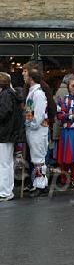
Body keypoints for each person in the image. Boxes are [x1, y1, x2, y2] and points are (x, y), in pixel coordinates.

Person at [22, 64, 50, 196]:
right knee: (36, 158)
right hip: (33, 130)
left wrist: (31, 124)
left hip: (37, 130)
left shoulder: (38, 93)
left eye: (26, 73)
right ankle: (40, 184)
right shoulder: (32, 92)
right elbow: (30, 111)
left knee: (38, 158)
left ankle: (41, 185)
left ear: (31, 78)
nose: (23, 75)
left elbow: (38, 115)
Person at [0, 72, 24, 201]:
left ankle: (5, 192)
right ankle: (7, 190)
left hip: (4, 133)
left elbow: (3, 113)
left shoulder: (5, 95)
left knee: (4, 163)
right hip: (8, 134)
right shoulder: (10, 94)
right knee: (7, 163)